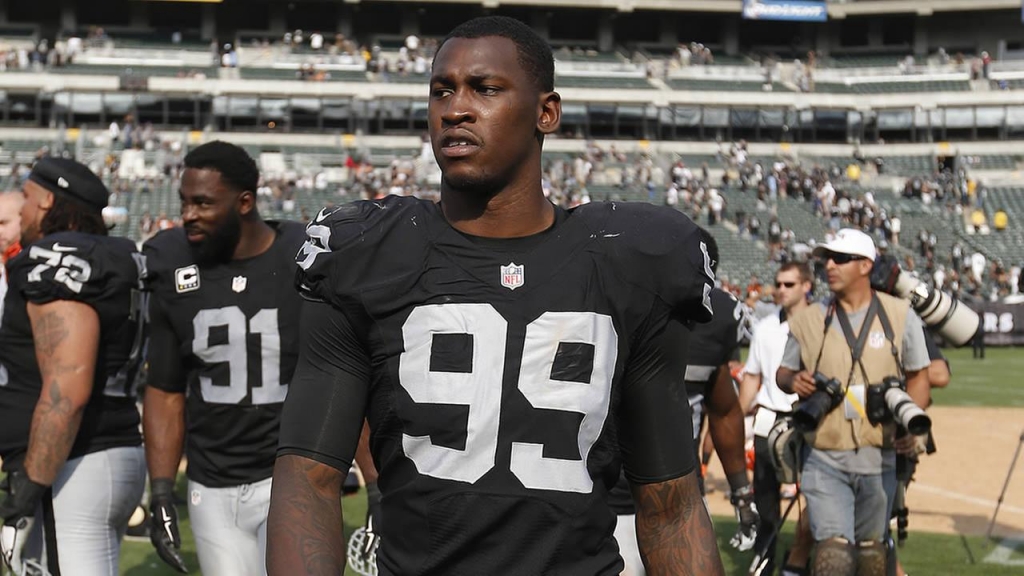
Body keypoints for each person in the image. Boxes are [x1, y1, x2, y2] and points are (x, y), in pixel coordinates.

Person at [267, 15, 725, 576]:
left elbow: (671, 505)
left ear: (546, 112)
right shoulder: (366, 251)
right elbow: (307, 479)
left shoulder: (632, 260)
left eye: (484, 89)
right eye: (442, 90)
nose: (455, 109)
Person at [141, 141, 306, 575]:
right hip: (211, 483)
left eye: (203, 203)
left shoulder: (301, 259)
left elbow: (343, 374)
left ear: (245, 202)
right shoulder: (173, 263)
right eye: (184, 202)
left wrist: (377, 486)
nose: (188, 214)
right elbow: (164, 388)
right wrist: (160, 491)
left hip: (291, 476)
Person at [0, 157, 147, 575]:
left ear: (47, 200)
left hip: (73, 463)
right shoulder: (120, 254)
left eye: (27, 198)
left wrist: (30, 485)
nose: (24, 209)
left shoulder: (56, 258)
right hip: (114, 449)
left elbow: (68, 387)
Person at [777, 229, 931, 576]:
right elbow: (783, 372)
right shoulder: (806, 320)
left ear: (865, 265)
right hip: (823, 454)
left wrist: (912, 424)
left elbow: (921, 378)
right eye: (826, 259)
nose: (829, 265)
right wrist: (793, 380)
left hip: (881, 454)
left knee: (871, 556)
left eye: (840, 259)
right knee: (833, 557)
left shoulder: (901, 314)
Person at [608, 229, 756, 576]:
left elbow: (723, 410)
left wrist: (742, 490)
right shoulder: (607, 306)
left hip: (683, 495)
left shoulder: (718, 318)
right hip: (612, 499)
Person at [738, 261, 816, 576]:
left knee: (815, 498)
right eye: (779, 284)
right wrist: (735, 416)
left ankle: (806, 559)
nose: (781, 290)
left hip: (808, 420)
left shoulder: (822, 323)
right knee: (766, 500)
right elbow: (752, 378)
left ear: (806, 286)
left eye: (789, 284)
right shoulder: (766, 326)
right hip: (768, 421)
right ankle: (766, 559)